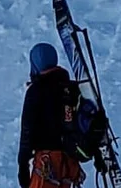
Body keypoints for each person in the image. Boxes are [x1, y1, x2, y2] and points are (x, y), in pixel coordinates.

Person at [18, 42, 85, 188]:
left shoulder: (35, 92)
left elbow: (27, 131)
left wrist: (22, 165)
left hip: (46, 165)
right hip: (69, 164)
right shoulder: (72, 88)